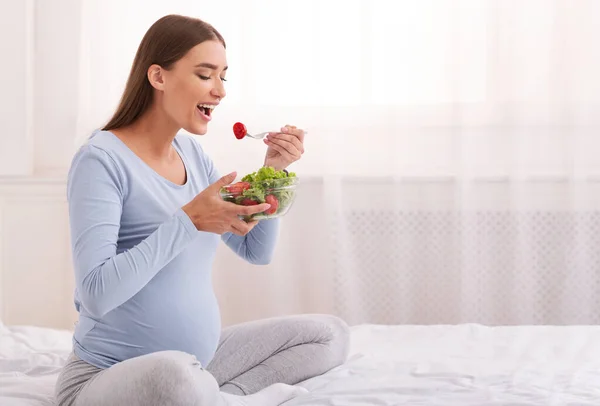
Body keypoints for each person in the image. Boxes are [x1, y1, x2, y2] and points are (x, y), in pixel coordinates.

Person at [54, 14, 350, 406]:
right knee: (175, 376)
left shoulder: (192, 155)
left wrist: (272, 171)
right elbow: (95, 294)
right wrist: (188, 221)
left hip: (198, 365)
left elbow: (255, 251)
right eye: (205, 75)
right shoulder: (101, 159)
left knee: (329, 334)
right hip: (108, 374)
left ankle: (218, 396)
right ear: (158, 77)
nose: (220, 91)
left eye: (223, 76)